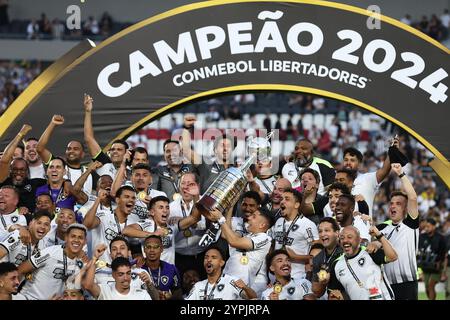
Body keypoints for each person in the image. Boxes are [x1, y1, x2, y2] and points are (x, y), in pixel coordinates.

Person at [377, 163, 420, 300]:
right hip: (387, 285)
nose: (393, 206)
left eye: (398, 204)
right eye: (391, 203)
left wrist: (401, 174)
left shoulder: (410, 224)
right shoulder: (382, 228)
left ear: (406, 209)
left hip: (408, 285)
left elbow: (412, 197)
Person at [123, 195, 202, 265]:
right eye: (161, 207)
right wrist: (152, 234)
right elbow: (126, 230)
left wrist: (196, 196)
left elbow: (194, 218)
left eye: (167, 207)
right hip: (150, 271)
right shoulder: (147, 224)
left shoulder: (172, 226)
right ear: (152, 212)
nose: (165, 210)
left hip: (169, 272)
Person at [17, 223, 88, 300]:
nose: (76, 240)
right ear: (66, 238)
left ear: (85, 241)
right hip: (29, 297)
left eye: (80, 237)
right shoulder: (50, 253)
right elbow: (21, 269)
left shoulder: (81, 263)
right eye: (73, 236)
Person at [209, 207, 272, 292]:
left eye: (253, 217)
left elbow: (234, 241)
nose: (249, 218)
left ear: (262, 225)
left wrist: (221, 218)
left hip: (241, 286)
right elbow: (225, 234)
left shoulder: (265, 238)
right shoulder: (248, 236)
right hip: (226, 280)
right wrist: (230, 208)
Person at [327, 225, 397, 300]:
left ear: (359, 240)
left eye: (349, 237)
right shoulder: (336, 265)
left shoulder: (370, 252)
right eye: (342, 238)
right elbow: (333, 293)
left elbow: (393, 257)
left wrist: (379, 236)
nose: (345, 240)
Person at [37, 115, 94, 195]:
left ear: (83, 154)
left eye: (76, 149)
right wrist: (52, 124)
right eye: (69, 149)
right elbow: (40, 148)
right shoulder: (58, 166)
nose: (71, 151)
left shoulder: (88, 171)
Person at [271, 189, 319, 279]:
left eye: (287, 199)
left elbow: (318, 255)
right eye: (281, 199)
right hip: (277, 277)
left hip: (296, 276)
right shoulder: (279, 221)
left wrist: (295, 257)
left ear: (296, 204)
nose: (282, 201)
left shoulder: (307, 225)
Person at [91, 237, 159, 300]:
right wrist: (94, 258)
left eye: (122, 248)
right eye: (114, 249)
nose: (118, 252)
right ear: (110, 254)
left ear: (129, 252)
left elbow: (156, 298)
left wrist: (149, 284)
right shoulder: (99, 273)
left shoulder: (141, 273)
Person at [83, 185, 136, 263]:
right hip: (100, 269)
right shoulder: (104, 215)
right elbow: (87, 224)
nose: (130, 200)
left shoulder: (133, 224)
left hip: (121, 270)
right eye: (127, 197)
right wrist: (98, 199)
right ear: (117, 200)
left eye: (133, 198)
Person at [342, 143, 397, 216]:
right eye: (346, 160)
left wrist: (393, 149)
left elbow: (385, 170)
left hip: (363, 226)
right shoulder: (337, 181)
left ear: (359, 164)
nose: (348, 163)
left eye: (352, 160)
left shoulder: (367, 179)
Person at [170, 172, 206, 278]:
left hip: (201, 255)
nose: (186, 187)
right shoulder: (170, 207)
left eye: (190, 184)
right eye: (183, 183)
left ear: (198, 186)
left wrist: (184, 221)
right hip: (179, 256)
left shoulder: (206, 202)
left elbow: (206, 225)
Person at [83, 94, 128, 179]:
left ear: (126, 153)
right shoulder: (104, 162)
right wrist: (88, 112)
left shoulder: (133, 169)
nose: (115, 151)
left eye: (119, 149)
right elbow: (88, 138)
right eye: (112, 149)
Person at [186, 246, 256, 300]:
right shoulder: (198, 286)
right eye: (206, 257)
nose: (209, 260)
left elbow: (253, 298)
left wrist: (246, 288)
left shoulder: (231, 281)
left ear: (221, 263)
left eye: (213, 257)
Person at [82, 256, 152, 300]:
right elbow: (88, 285)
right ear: (113, 275)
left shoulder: (142, 295)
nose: (125, 278)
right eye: (121, 274)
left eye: (128, 273)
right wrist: (95, 258)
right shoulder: (105, 291)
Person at [141, 235, 182, 300]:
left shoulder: (171, 269)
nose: (152, 250)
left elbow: (177, 293)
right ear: (144, 249)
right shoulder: (139, 269)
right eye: (148, 247)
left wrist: (170, 298)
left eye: (156, 247)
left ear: (162, 249)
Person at [311, 217, 343, 299]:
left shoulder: (346, 250)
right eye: (320, 231)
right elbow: (317, 292)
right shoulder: (318, 259)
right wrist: (323, 282)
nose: (322, 234)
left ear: (337, 233)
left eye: (327, 230)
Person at [418, 217, 447, 300]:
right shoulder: (422, 237)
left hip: (437, 267)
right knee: (427, 288)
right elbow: (419, 251)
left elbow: (444, 254)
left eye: (429, 226)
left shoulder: (440, 238)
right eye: (426, 226)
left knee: (431, 285)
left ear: (434, 227)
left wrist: (443, 269)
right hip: (426, 266)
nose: (427, 228)